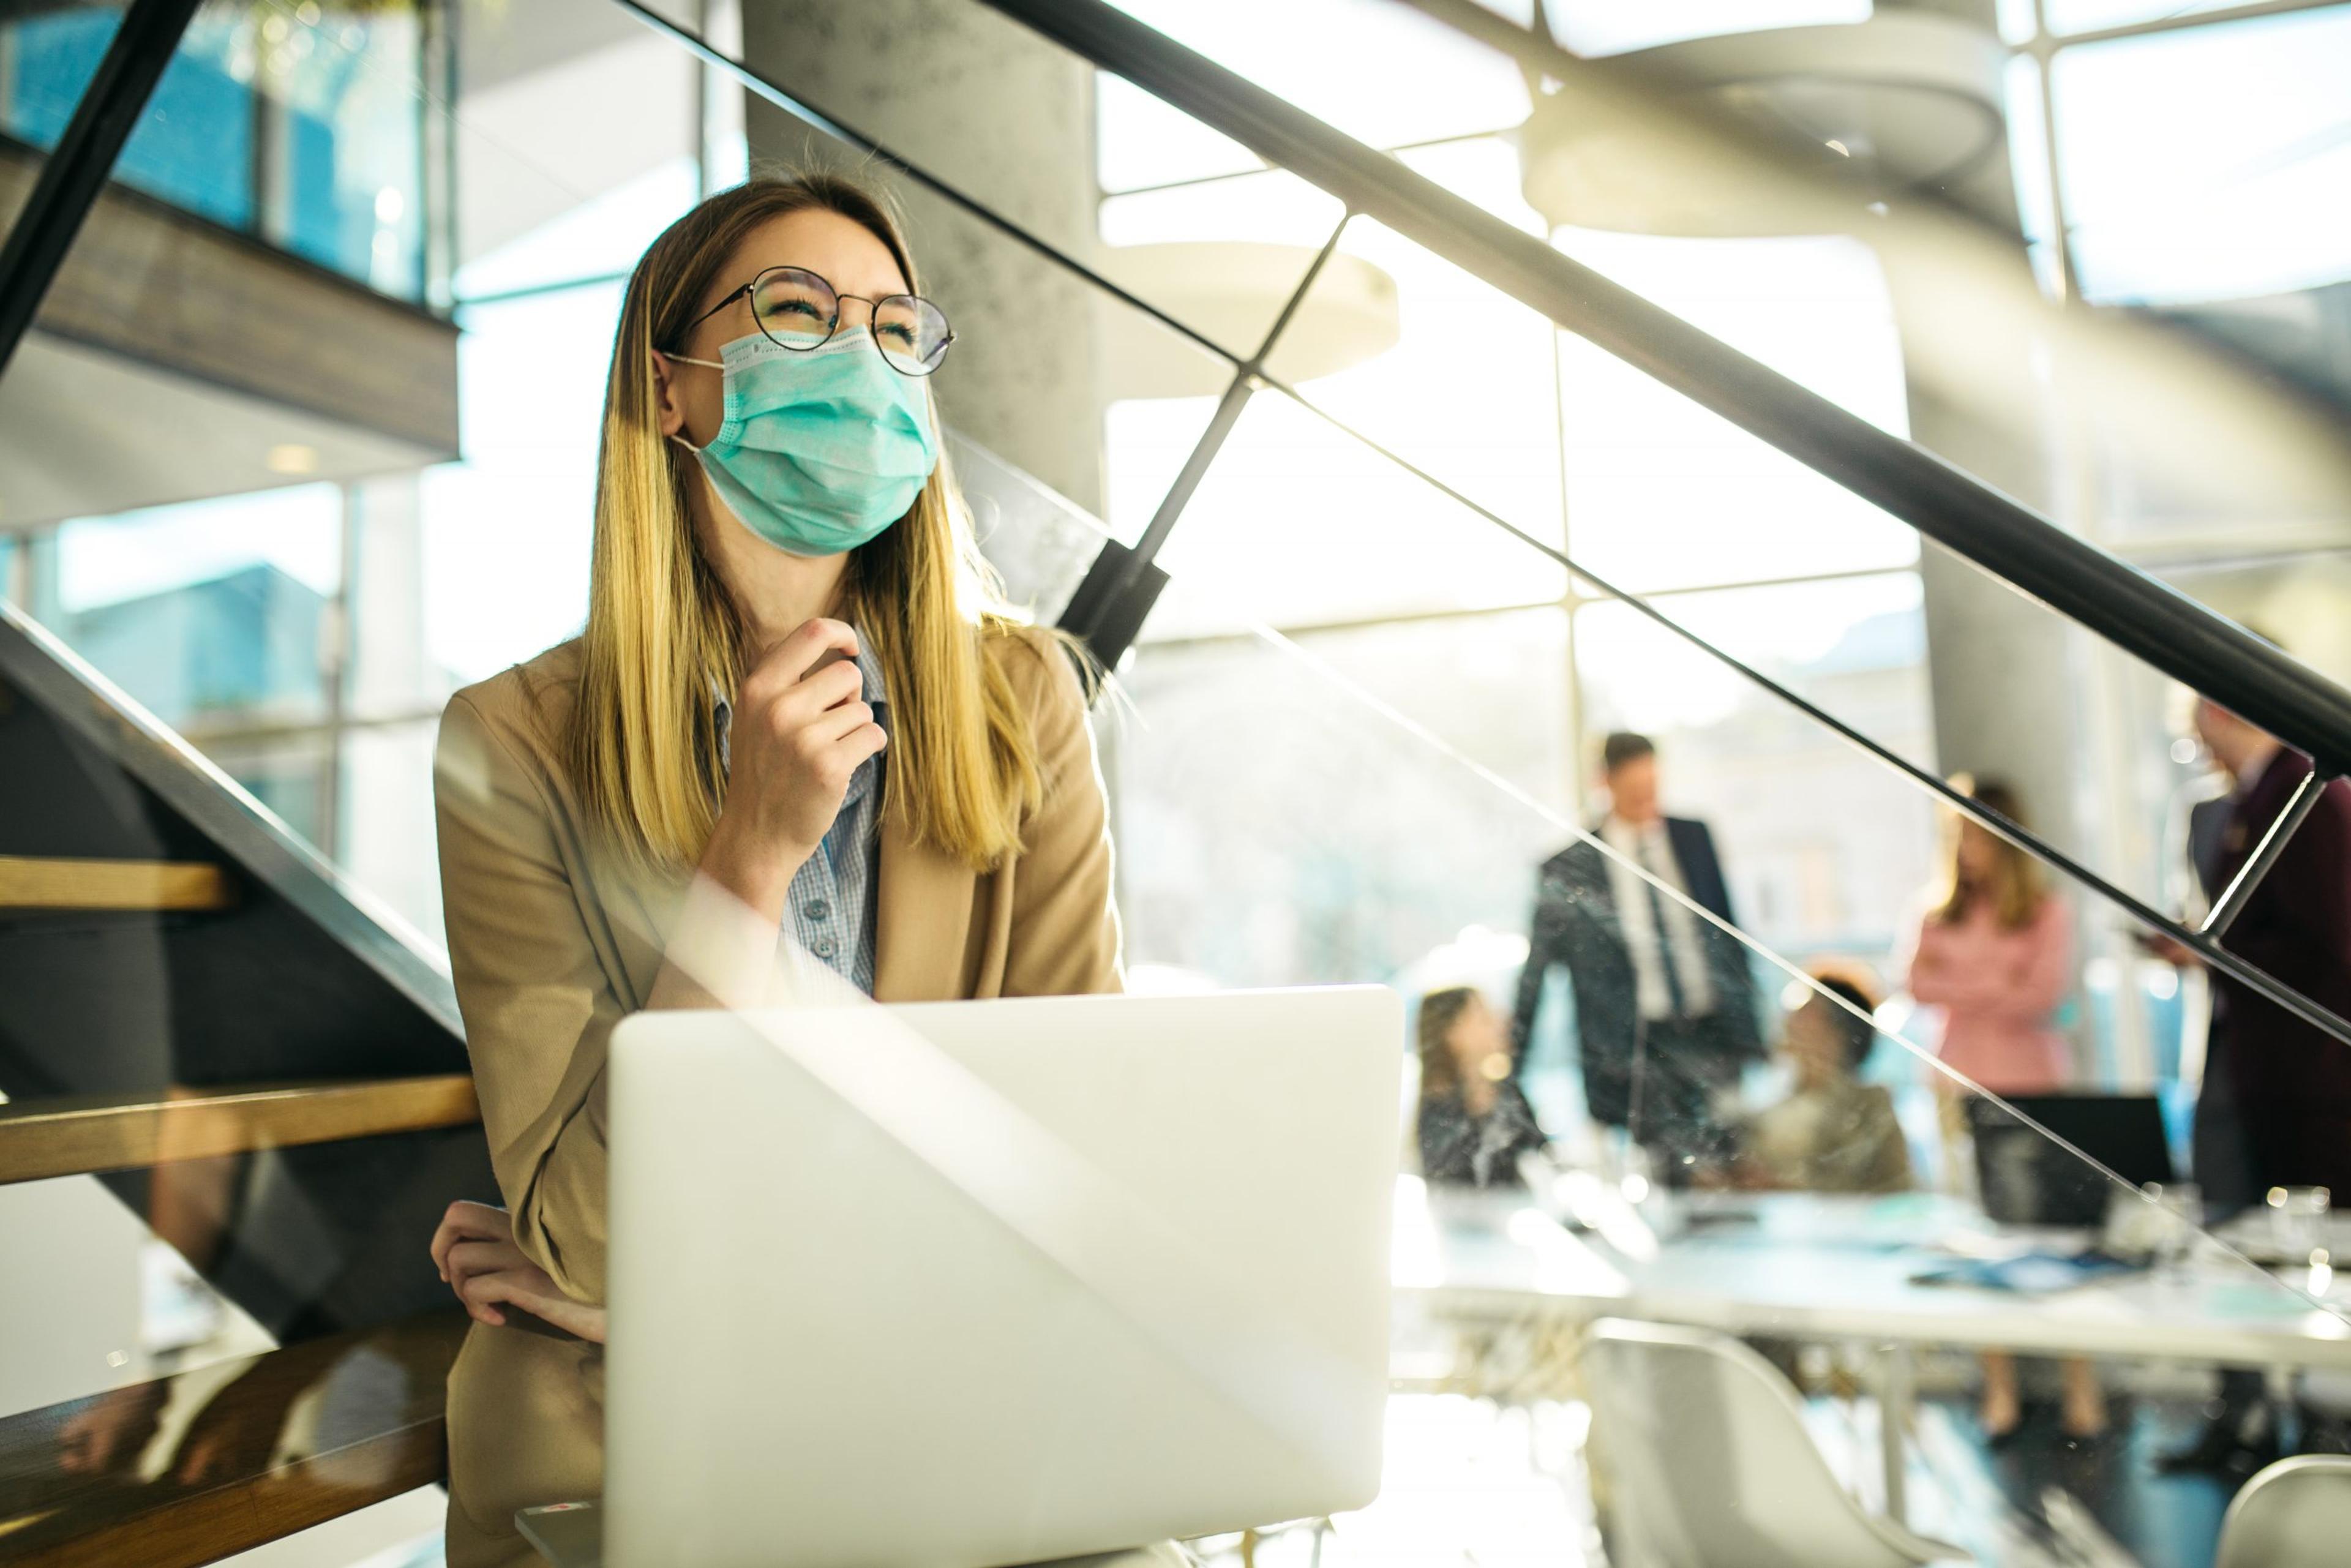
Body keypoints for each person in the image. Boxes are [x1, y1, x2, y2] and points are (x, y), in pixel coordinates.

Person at [421, 173, 1123, 1567]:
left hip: (955, 1402)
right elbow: (593, 1237)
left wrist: (661, 1281)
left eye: (892, 327)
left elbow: (1070, 1162)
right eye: (796, 313)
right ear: (671, 387)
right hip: (628, 1426)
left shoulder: (1023, 696)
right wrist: (746, 854)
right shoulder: (510, 741)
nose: (857, 357)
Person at [2150, 691, 2351, 1472]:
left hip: (2302, 1074)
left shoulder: (2310, 793)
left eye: (2200, 729)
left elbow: (2328, 943)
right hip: (2252, 1061)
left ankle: (2320, 1431)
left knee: (2313, 1245)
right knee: (2236, 1238)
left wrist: (2215, 954)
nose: (2198, 748)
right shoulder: (2243, 803)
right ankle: (2254, 1423)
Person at [1903, 778, 2101, 1444]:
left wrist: (1967, 982)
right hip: (1959, 1089)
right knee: (1981, 1238)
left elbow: (2041, 991)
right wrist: (1998, 981)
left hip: (2035, 1087)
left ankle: (2082, 1389)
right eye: (1958, 832)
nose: (1967, 847)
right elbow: (1917, 983)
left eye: (1979, 832)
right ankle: (2000, 1393)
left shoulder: (2046, 910)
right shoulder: (1936, 910)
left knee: (2057, 1238)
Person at [1511, 732, 1761, 1186]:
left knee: (1727, 1165)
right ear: (1605, 783)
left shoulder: (1693, 838)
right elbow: (1538, 973)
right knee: (1663, 1174)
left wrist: (1751, 1032)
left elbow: (1728, 934)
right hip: (1635, 1047)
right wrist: (1512, 1068)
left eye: (1653, 787)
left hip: (1709, 1032)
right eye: (1634, 789)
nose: (1647, 801)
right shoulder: (1570, 867)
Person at [1739, 971, 1911, 1195]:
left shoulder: (1869, 1104)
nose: (1791, 1020)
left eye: (1807, 1012)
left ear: (1837, 1031)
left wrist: (1778, 1185)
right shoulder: (1769, 1102)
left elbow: (1855, 1182)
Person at [1417, 986, 1548, 1189]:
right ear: (1452, 1033)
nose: (1499, 1022)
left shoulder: (1506, 1092)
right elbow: (1453, 1183)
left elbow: (1542, 1152)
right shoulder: (1439, 1109)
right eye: (1483, 1016)